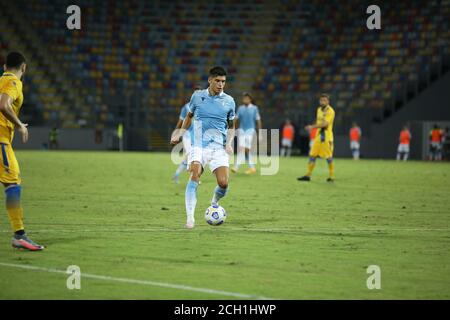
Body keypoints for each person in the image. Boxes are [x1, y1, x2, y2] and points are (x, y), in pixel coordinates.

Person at [170, 66, 235, 229]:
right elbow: (188, 117)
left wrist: (228, 143)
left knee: (224, 183)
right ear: (210, 80)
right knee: (195, 174)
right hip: (198, 145)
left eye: (223, 81)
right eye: (218, 81)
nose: (221, 84)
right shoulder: (197, 97)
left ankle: (214, 202)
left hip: (218, 147)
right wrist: (180, 133)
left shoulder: (229, 101)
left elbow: (231, 125)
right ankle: (190, 218)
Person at [0, 52, 44, 250]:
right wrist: (19, 124)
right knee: (13, 182)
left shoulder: (1, 80)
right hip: (0, 141)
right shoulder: (14, 83)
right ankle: (19, 235)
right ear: (24, 67)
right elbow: (3, 105)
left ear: (4, 66)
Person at [298, 93, 335, 182]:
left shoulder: (330, 111)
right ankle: (308, 175)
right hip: (318, 136)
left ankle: (331, 176)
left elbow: (325, 124)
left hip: (326, 136)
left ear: (328, 101)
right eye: (321, 100)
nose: (322, 102)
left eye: (324, 100)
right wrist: (314, 127)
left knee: (328, 157)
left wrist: (312, 127)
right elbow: (319, 121)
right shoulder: (319, 110)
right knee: (312, 155)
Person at [172, 85, 202, 183]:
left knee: (193, 156)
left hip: (198, 135)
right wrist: (176, 133)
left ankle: (177, 174)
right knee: (190, 155)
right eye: (195, 93)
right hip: (187, 135)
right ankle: (194, 178)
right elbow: (181, 121)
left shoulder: (203, 107)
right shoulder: (186, 107)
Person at [231, 92, 261, 174]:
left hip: (251, 131)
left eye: (247, 98)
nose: (245, 99)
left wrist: (260, 132)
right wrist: (233, 128)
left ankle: (236, 167)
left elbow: (258, 120)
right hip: (242, 131)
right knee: (244, 149)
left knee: (245, 149)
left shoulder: (254, 108)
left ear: (250, 99)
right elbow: (236, 119)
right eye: (244, 98)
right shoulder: (240, 108)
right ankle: (252, 167)